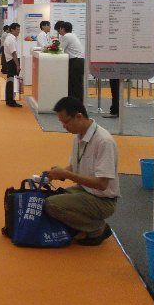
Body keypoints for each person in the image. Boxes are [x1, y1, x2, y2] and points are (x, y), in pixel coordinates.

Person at [44, 96, 119, 246]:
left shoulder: (104, 141)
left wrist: (66, 174)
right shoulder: (79, 136)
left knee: (51, 205)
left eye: (66, 122)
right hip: (85, 191)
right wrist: (56, 174)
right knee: (51, 197)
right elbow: (74, 166)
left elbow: (102, 184)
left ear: (79, 116)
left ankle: (97, 228)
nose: (64, 127)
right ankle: (83, 226)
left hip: (103, 200)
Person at [58, 21, 85, 102]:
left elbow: (60, 49)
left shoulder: (66, 36)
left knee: (75, 84)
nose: (59, 31)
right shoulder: (72, 35)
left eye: (60, 29)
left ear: (63, 29)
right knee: (76, 84)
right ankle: (76, 102)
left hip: (75, 62)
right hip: (79, 61)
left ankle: (76, 103)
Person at [4, 22, 22, 108]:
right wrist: (17, 65)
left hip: (12, 61)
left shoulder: (11, 38)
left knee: (12, 82)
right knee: (12, 82)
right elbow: (14, 53)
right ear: (12, 30)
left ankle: (10, 100)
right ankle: (11, 100)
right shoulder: (11, 39)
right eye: (17, 30)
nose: (19, 31)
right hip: (12, 62)